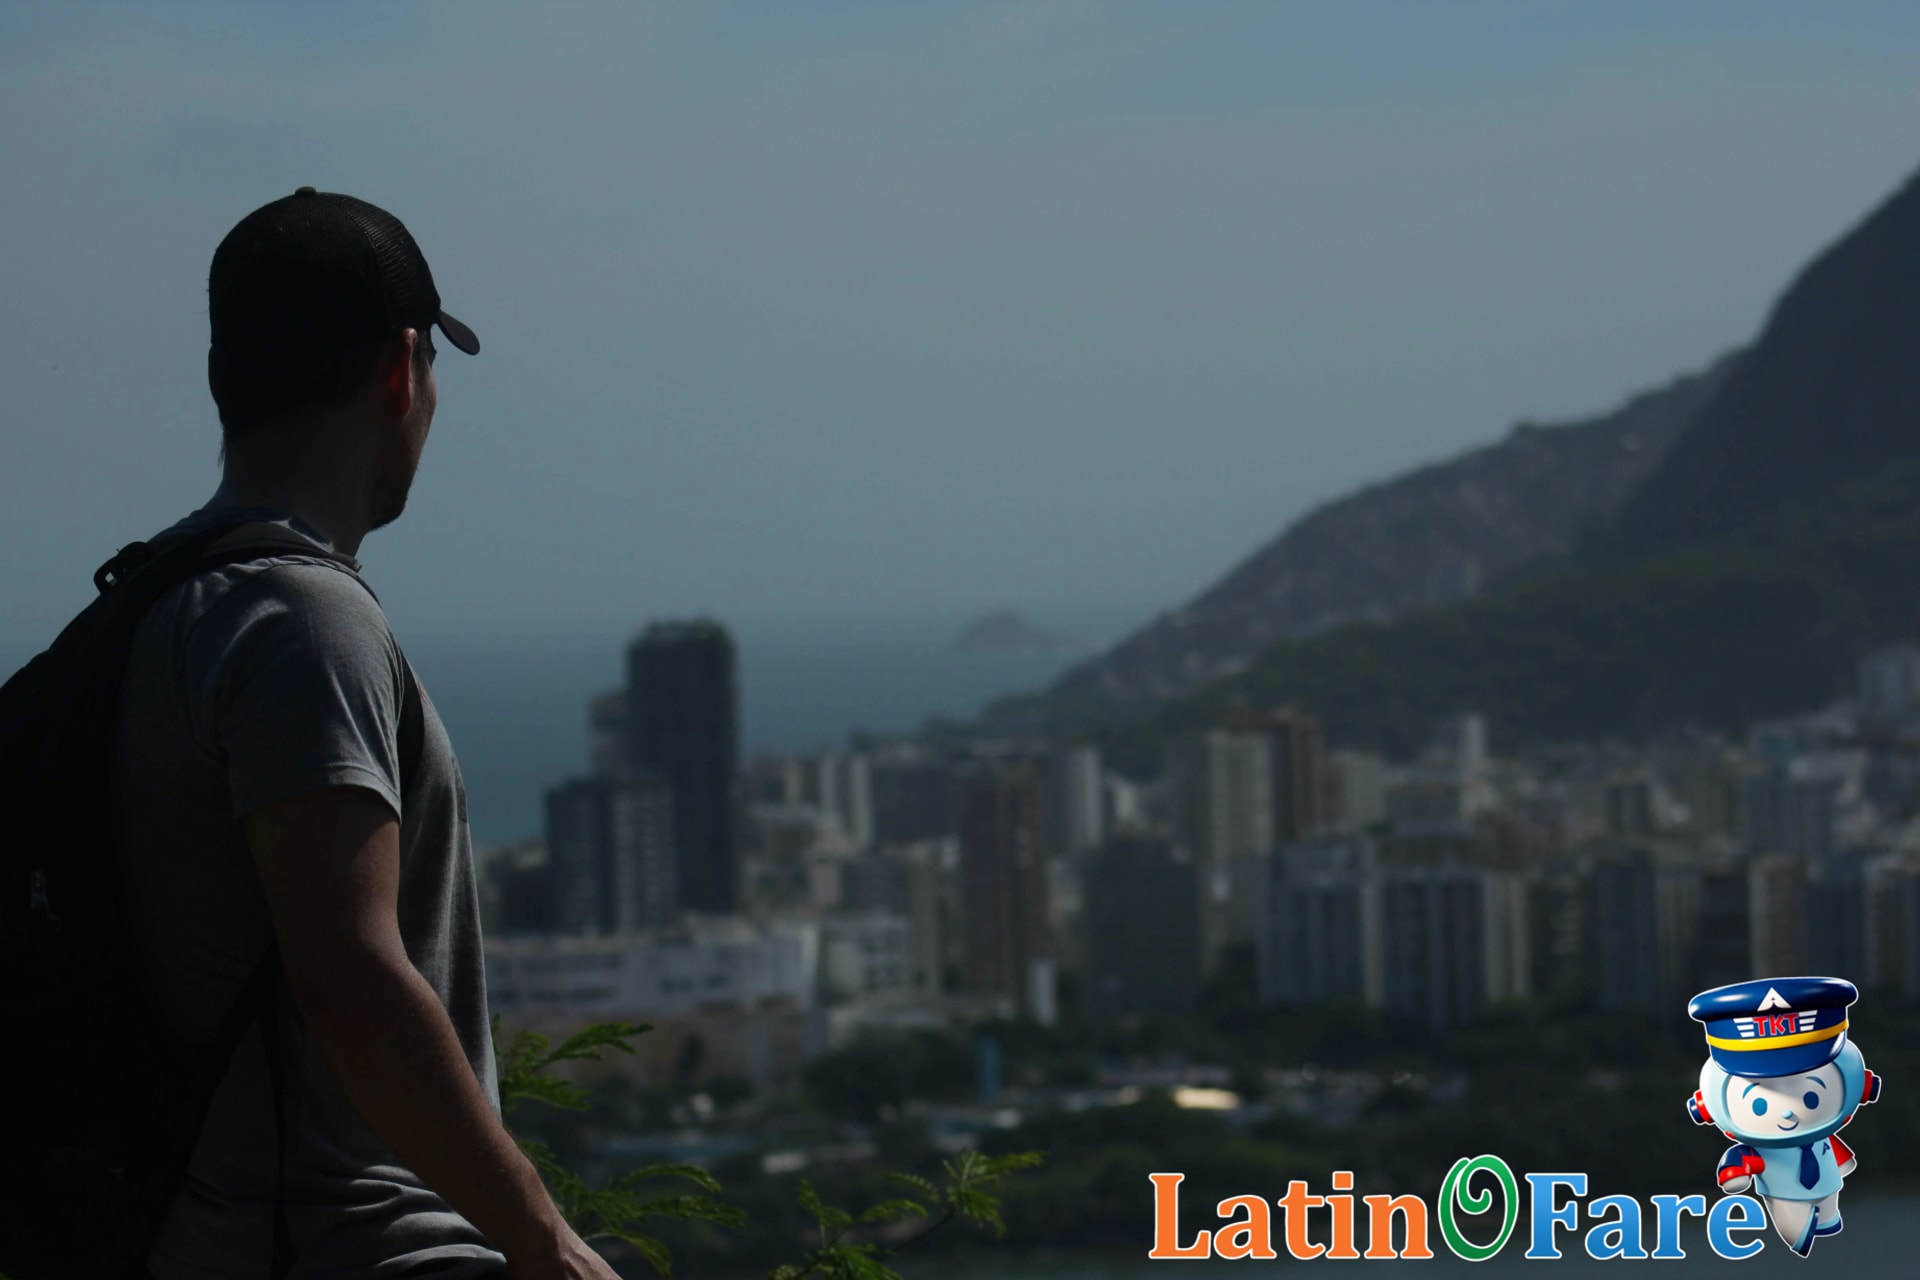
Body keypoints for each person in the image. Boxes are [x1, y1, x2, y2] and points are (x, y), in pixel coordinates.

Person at [112, 188, 620, 1279]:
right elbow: (352, 974)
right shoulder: (305, 620)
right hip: (358, 1248)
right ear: (404, 369)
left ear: (220, 380)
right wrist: (549, 1245)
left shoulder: (153, 611)